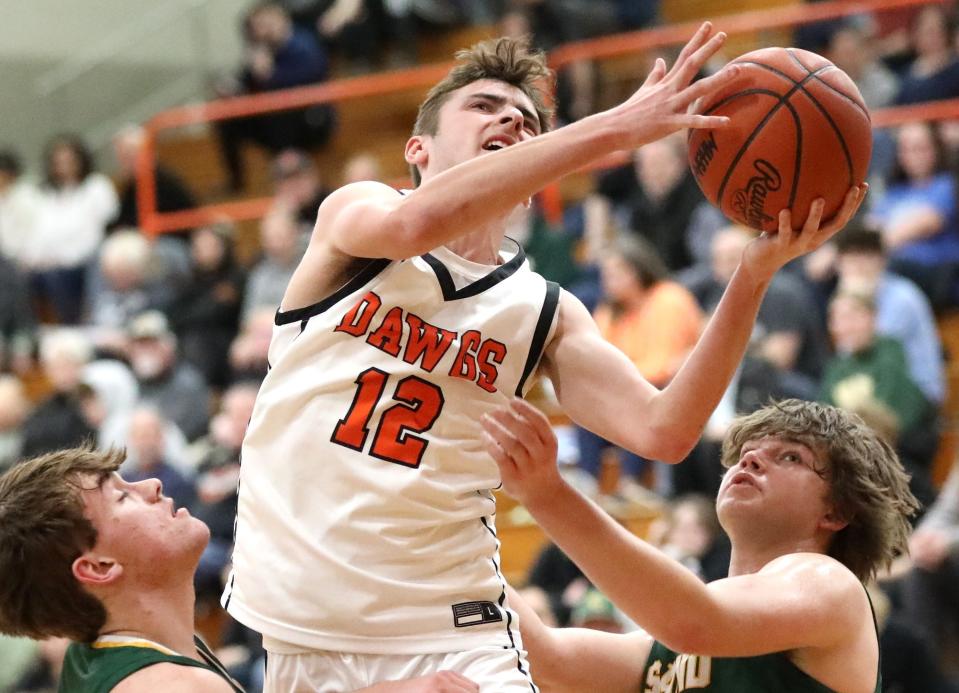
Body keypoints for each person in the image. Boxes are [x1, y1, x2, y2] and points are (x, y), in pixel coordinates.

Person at [224, 26, 866, 691]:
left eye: (528, 122)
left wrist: (751, 276)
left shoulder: (543, 311)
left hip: (451, 620)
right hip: (301, 629)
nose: (509, 118)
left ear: (530, 183)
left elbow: (663, 429)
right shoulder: (357, 215)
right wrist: (616, 129)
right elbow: (413, 227)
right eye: (482, 105)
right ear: (417, 148)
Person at [481, 398, 917, 692]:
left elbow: (693, 621)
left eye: (791, 457)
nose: (751, 458)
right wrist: (454, 526)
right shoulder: (682, 628)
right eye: (748, 451)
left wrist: (547, 494)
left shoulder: (828, 585)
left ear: (836, 513)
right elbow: (548, 659)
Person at [0, 447, 479, 693]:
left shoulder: (110, 651)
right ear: (100, 567)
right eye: (122, 496)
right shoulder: (169, 687)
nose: (150, 485)